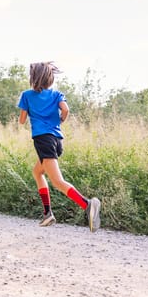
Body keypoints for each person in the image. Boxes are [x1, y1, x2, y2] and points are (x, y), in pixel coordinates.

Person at [17, 62, 101, 232]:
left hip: (43, 140)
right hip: (56, 140)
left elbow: (22, 120)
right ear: (50, 78)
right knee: (37, 172)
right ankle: (48, 213)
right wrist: (60, 120)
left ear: (33, 78)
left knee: (57, 181)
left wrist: (26, 114)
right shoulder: (57, 94)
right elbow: (66, 110)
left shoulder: (27, 95)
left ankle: (87, 204)